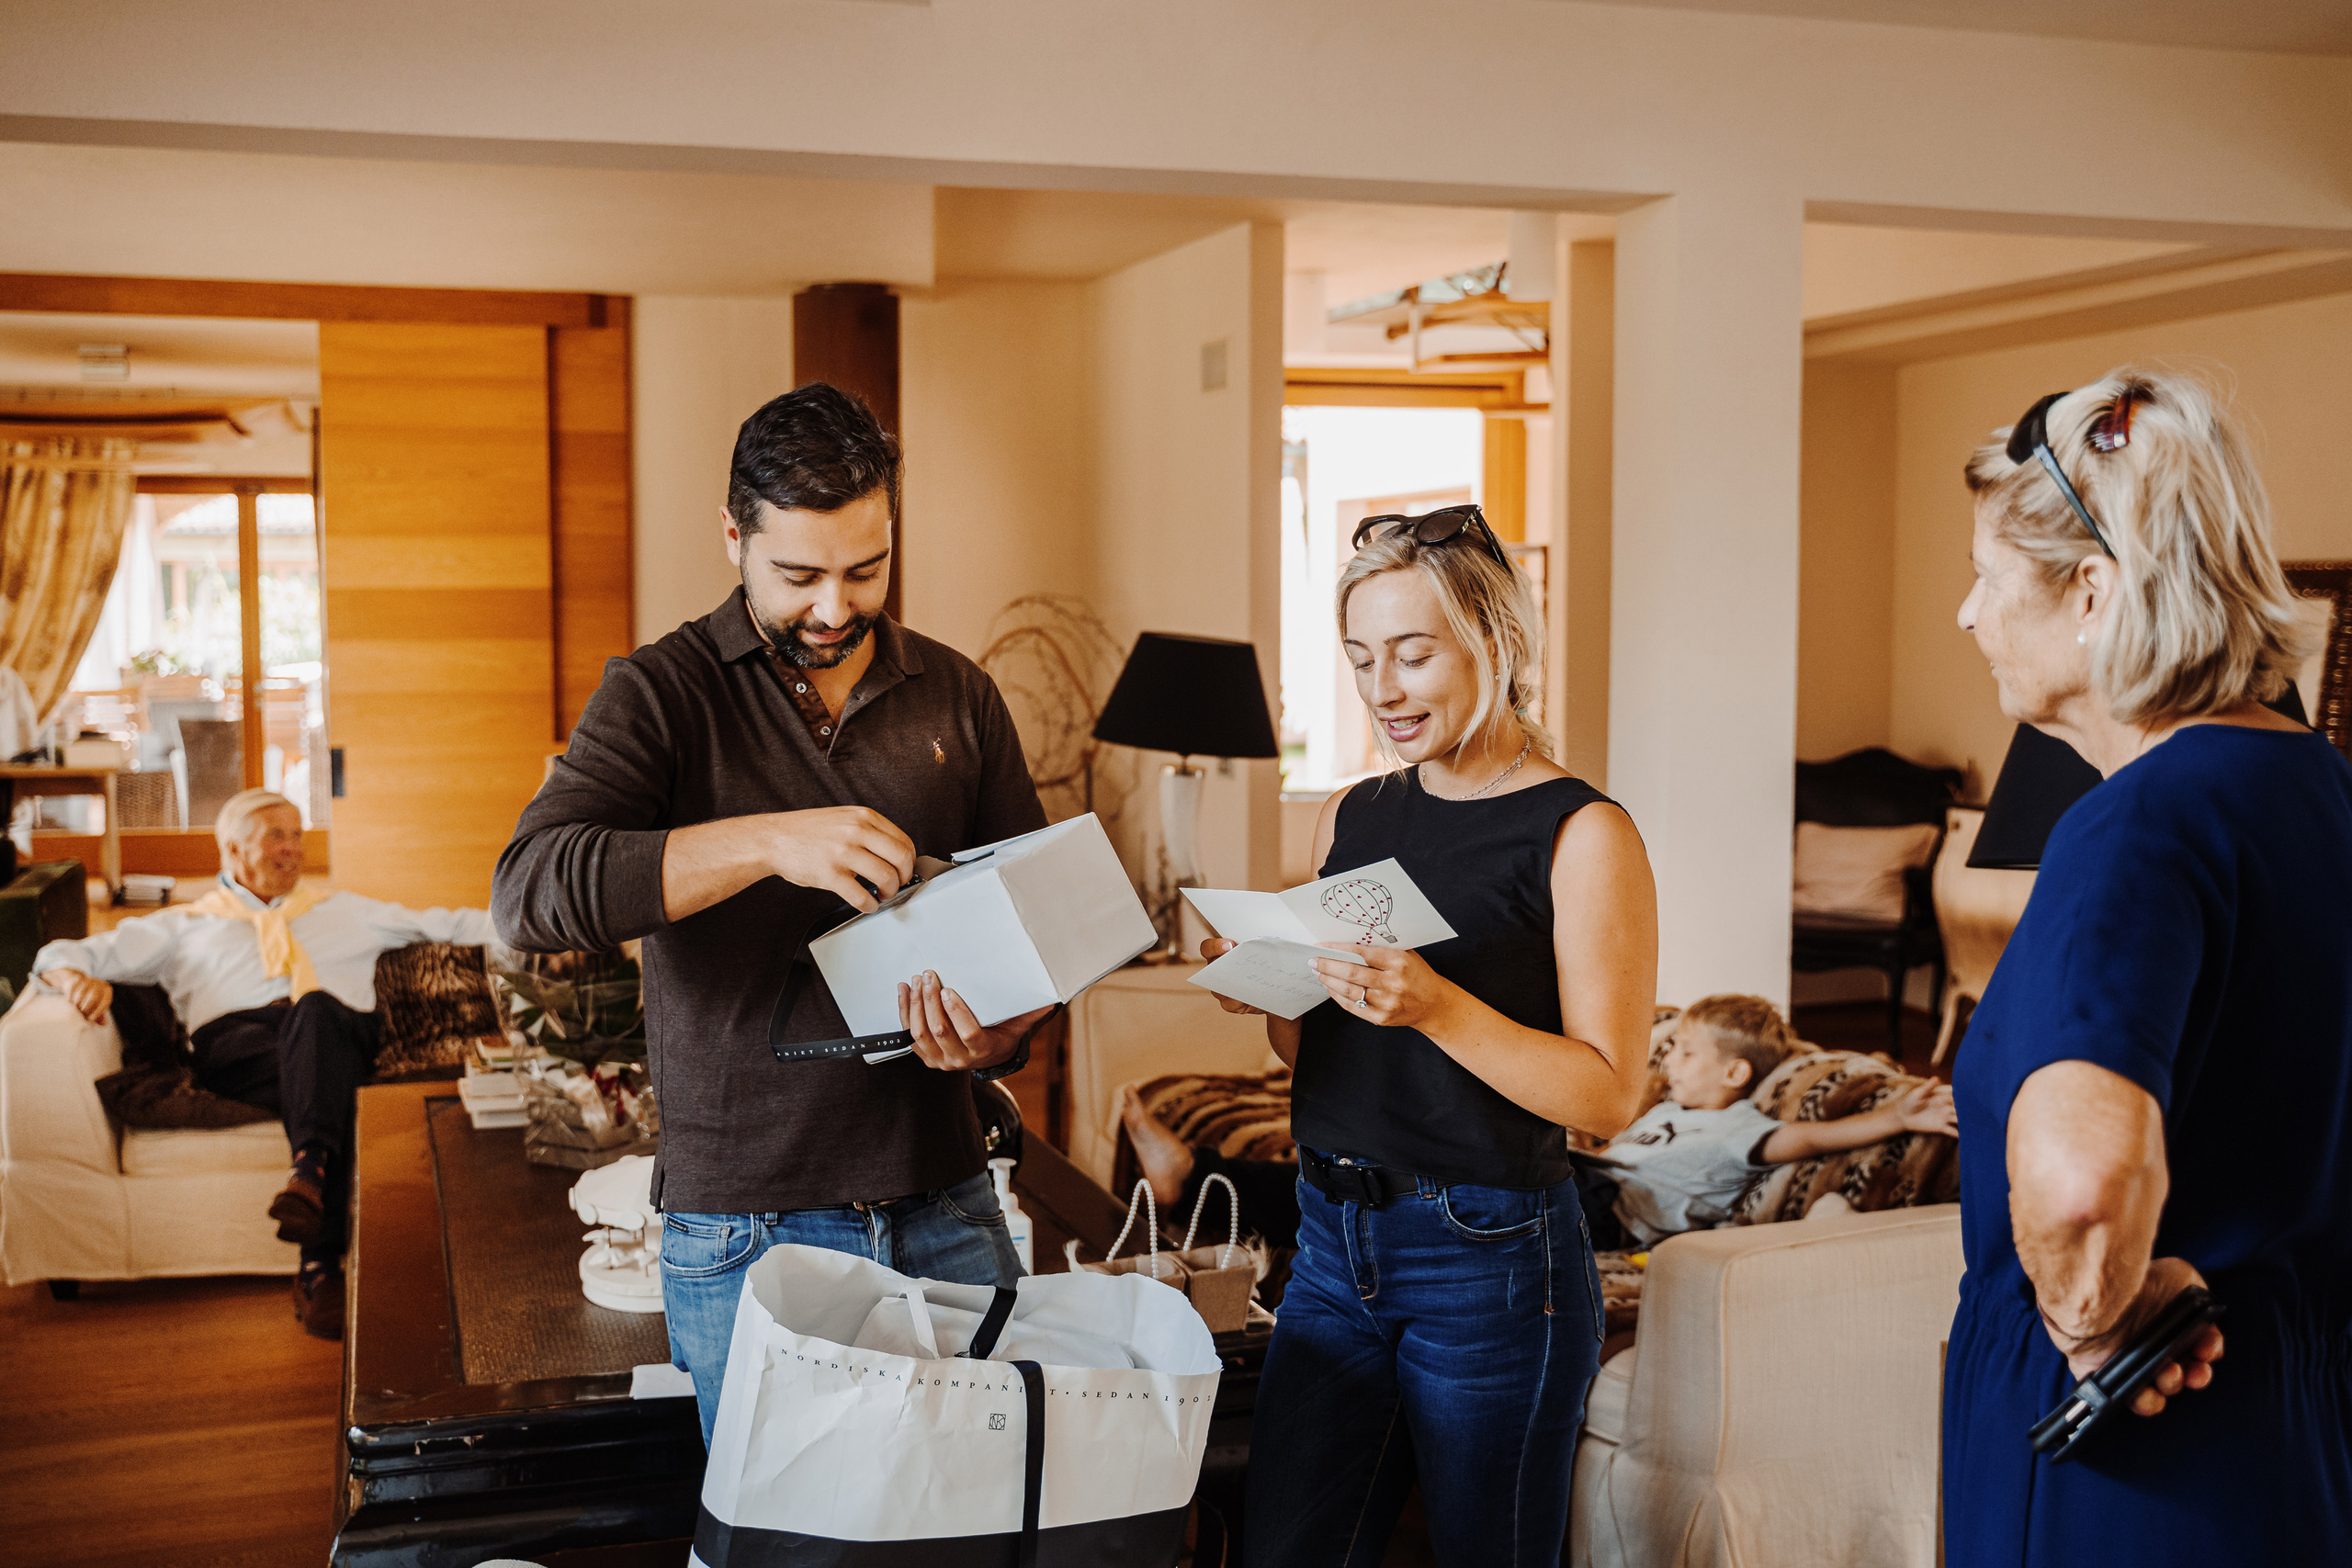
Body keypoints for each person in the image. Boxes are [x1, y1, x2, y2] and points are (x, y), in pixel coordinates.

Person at [492, 382, 1054, 1443]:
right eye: (798, 575)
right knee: (792, 1541)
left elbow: (1030, 922)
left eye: (865, 569)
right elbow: (530, 892)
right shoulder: (658, 695)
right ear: (733, 538)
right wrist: (768, 840)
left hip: (948, 1200)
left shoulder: (958, 696)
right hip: (749, 1228)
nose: (834, 608)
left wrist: (1005, 1030)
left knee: (985, 1520)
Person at [1940, 367, 2352, 1564]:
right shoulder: (2317, 786)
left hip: (2140, 1466)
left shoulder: (2135, 825)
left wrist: (2095, 1320)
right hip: (2300, 1436)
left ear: (2092, 591)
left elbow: (2080, 1188)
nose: (1967, 615)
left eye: (1987, 576)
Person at [1197, 502, 1658, 1568]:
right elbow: (1309, 1058)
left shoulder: (1582, 833)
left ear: (1493, 645)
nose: (1381, 691)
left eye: (1412, 655)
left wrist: (1437, 1006)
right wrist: (1272, 984)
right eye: (1361, 659)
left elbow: (1608, 1096)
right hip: (1326, 1241)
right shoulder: (1352, 814)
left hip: (1491, 1261)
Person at [32, 788, 503, 1337]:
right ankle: (317, 1236)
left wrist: (548, 931)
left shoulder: (344, 909)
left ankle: (311, 1208)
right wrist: (73, 979)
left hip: (336, 1034)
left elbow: (451, 924)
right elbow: (62, 953)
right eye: (275, 836)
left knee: (317, 1009)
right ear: (233, 852)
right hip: (241, 1049)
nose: (293, 849)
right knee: (331, 1082)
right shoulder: (182, 925)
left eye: (298, 835)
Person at [1577, 993, 1957, 1249]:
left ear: (1735, 1074)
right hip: (1591, 1184)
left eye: (1687, 1052)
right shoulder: (1667, 1110)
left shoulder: (1740, 1129)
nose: (1669, 1060)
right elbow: (1609, 1155)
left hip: (1618, 1211)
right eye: (1673, 1047)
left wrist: (1897, 1118)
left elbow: (1814, 1138)